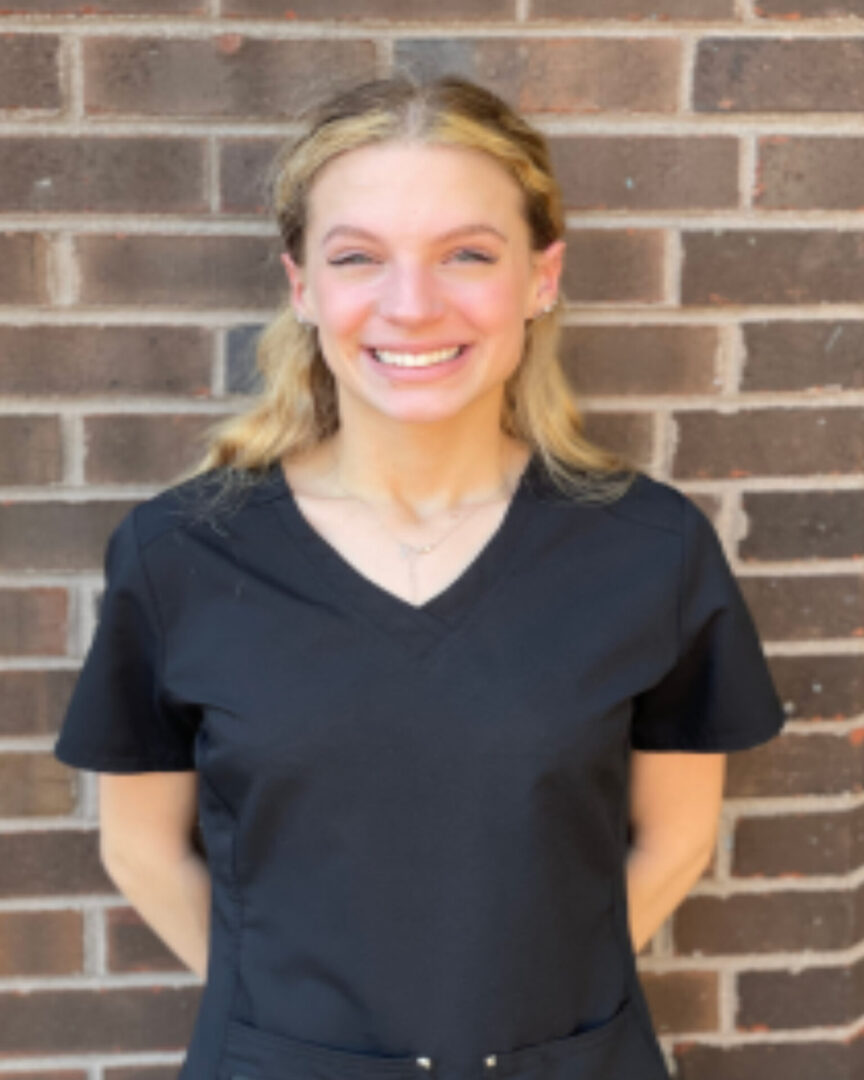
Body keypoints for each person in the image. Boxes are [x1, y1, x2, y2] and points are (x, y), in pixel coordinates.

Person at [53, 74, 787, 1080]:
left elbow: (674, 842)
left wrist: (538, 1011)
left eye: (468, 256)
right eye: (359, 257)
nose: (411, 305)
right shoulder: (181, 555)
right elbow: (140, 849)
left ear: (542, 277)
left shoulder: (647, 550)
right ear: (303, 286)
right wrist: (301, 1028)